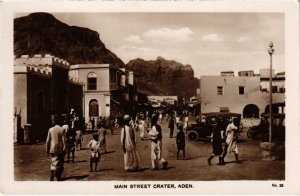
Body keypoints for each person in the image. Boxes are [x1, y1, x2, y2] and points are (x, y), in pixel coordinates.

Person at [46, 114, 65, 181]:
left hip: (52, 149)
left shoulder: (50, 129)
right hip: (60, 149)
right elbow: (63, 141)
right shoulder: (62, 129)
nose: (52, 120)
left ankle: (52, 175)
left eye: (53, 119)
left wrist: (47, 150)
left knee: (53, 162)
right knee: (60, 163)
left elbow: (48, 141)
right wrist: (64, 149)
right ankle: (58, 177)